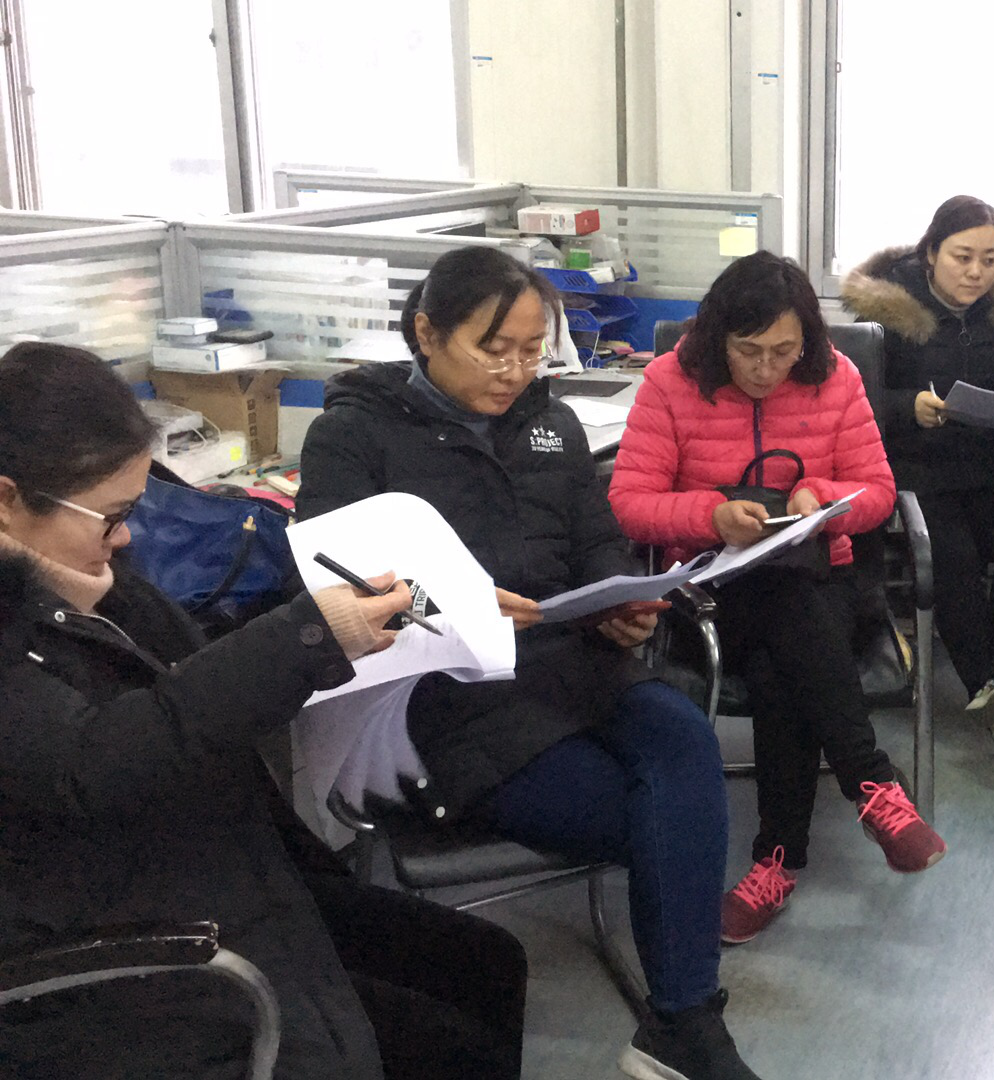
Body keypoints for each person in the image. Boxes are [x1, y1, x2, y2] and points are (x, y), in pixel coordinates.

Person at [0, 343, 528, 1079]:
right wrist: (311, 637)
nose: (125, 537)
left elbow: (197, 669)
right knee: (442, 1042)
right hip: (116, 938)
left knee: (486, 964)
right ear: (7, 499)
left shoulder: (90, 578)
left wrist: (425, 604)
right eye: (112, 517)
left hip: (208, 867)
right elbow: (91, 763)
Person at [296, 248, 757, 1080]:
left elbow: (596, 541)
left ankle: (682, 1024)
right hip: (448, 690)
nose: (515, 371)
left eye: (533, 350)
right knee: (662, 816)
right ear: (427, 333)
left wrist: (618, 602)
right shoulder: (353, 436)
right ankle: (685, 1027)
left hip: (573, 661)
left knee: (686, 741)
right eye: (494, 349)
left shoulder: (554, 426)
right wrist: (458, 607)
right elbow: (340, 587)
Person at [608, 250, 945, 948]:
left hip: (824, 583)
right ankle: (870, 784)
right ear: (716, 338)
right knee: (785, 629)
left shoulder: (836, 377)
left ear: (807, 342)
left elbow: (878, 492)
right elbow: (630, 502)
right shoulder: (670, 381)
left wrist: (819, 497)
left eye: (784, 352)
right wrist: (710, 515)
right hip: (708, 593)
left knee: (782, 647)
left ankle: (777, 865)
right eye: (748, 351)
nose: (766, 369)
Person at [841, 195, 994, 758]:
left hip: (978, 462)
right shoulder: (886, 311)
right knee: (954, 556)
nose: (976, 273)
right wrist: (906, 406)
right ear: (930, 253)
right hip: (909, 467)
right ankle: (988, 690)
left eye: (990, 260)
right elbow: (848, 398)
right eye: (962, 257)